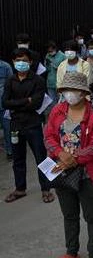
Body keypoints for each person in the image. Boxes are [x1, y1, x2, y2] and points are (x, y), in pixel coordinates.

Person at [44, 72, 93, 258]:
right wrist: (60, 153)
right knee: (69, 215)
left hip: (87, 173)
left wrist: (74, 158)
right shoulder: (57, 111)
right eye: (66, 90)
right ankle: (72, 251)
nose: (69, 94)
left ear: (83, 93)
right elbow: (49, 137)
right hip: (62, 171)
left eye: (74, 90)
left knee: (91, 216)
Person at [3, 48, 53, 203]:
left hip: (33, 124)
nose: (21, 63)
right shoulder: (10, 80)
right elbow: (5, 102)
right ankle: (20, 189)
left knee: (41, 157)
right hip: (15, 125)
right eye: (17, 60)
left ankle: (46, 189)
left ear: (30, 62)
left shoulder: (37, 80)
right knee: (18, 158)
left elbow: (37, 103)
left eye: (24, 60)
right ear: (13, 62)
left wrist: (17, 104)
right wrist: (26, 101)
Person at [0, 56, 13, 160]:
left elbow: (12, 84)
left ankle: (9, 151)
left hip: (4, 104)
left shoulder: (5, 66)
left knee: (7, 128)